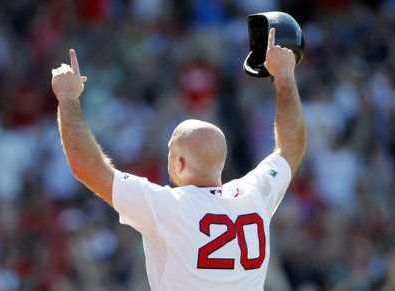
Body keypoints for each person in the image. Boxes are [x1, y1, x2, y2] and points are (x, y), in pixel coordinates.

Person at [51, 28, 306, 291]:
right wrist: (285, 76)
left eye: (171, 151)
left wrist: (68, 99)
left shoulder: (168, 207)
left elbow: (85, 166)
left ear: (180, 164)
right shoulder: (255, 196)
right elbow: (291, 147)